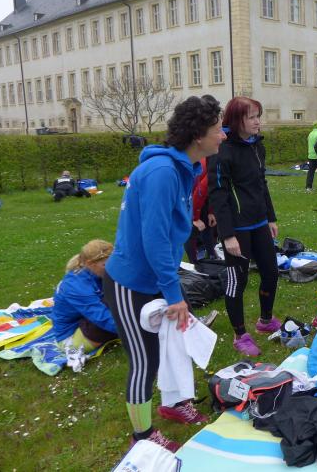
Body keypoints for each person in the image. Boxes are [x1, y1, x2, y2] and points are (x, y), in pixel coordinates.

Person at [104, 95, 224, 450]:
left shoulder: (186, 167)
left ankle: (174, 404)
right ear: (198, 135)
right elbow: (154, 238)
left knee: (173, 344)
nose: (222, 135)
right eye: (218, 129)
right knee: (145, 359)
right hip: (131, 282)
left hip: (158, 275)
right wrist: (174, 294)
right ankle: (141, 437)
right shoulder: (162, 173)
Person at [209, 96, 281, 357]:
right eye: (252, 117)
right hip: (237, 228)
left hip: (259, 222)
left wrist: (270, 217)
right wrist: (227, 235)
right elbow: (218, 194)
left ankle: (265, 320)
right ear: (237, 119)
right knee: (237, 281)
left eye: (258, 116)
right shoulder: (222, 150)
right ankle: (240, 335)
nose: (257, 121)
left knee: (271, 272)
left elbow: (262, 184)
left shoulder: (256, 146)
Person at [52, 239, 118, 354]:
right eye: (105, 265)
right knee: (116, 304)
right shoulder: (75, 285)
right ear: (90, 264)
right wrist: (137, 330)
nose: (112, 268)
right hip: (71, 339)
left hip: (85, 319)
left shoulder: (94, 273)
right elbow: (101, 317)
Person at [184, 156, 217, 263]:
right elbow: (199, 193)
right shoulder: (216, 169)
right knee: (192, 229)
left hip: (201, 192)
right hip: (190, 193)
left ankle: (212, 255)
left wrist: (211, 212)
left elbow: (213, 192)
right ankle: (193, 262)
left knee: (208, 223)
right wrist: (195, 218)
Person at [305, 121, 317, 192]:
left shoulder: (310, 133)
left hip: (310, 155)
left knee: (311, 172)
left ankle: (308, 187)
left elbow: (308, 141)